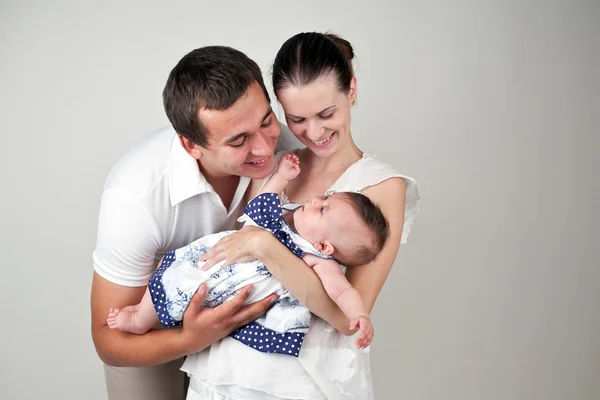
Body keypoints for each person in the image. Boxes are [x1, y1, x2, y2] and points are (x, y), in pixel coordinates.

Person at [181, 32, 421, 400]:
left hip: (305, 384)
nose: (314, 132)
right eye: (297, 119)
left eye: (327, 114)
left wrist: (265, 246)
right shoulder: (276, 167)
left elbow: (347, 319)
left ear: (351, 91)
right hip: (225, 371)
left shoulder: (383, 186)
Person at [91, 45, 302, 400]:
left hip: (246, 322)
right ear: (191, 146)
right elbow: (108, 339)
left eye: (266, 121)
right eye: (238, 141)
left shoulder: (289, 149)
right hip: (152, 330)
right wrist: (192, 338)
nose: (266, 148)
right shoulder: (134, 197)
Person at [107, 152, 386, 350]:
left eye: (322, 208)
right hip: (218, 259)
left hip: (225, 285)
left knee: (181, 288)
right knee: (172, 273)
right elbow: (265, 200)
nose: (315, 199)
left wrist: (359, 315)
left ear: (325, 246)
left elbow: (342, 292)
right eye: (325, 197)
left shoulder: (319, 259)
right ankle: (140, 310)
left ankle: (137, 319)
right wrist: (281, 177)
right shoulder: (285, 217)